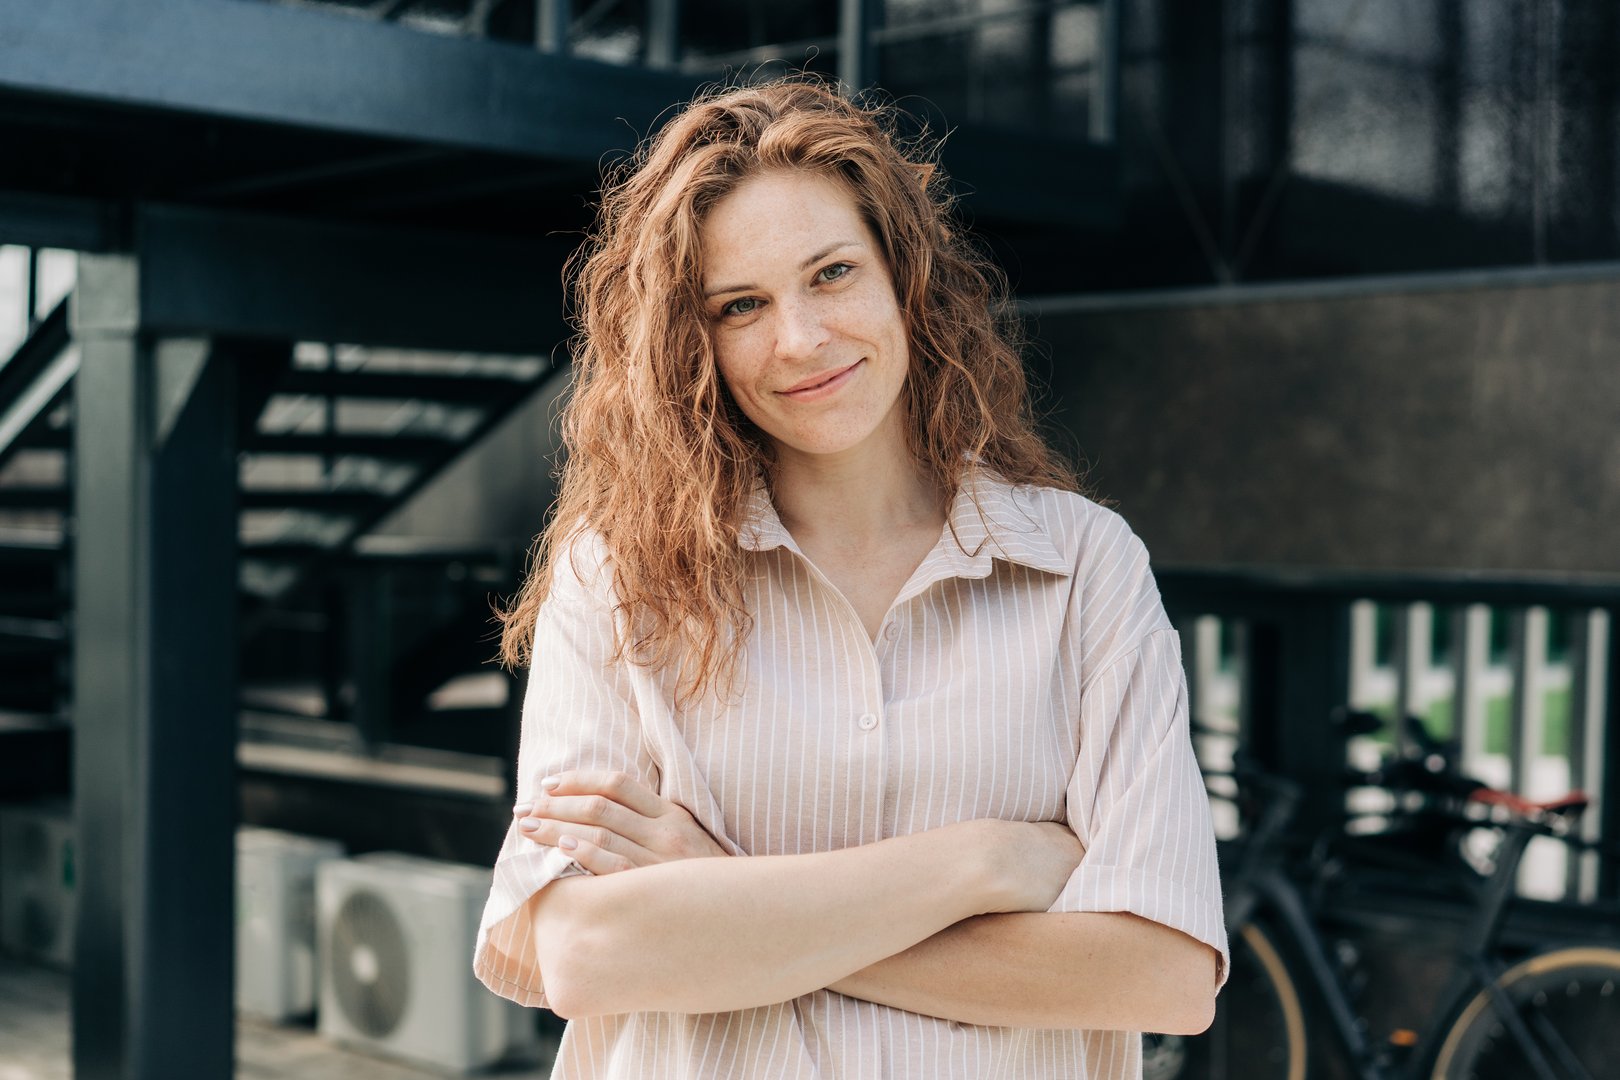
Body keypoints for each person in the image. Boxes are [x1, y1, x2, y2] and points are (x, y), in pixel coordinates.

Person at [473, 76, 1228, 1080]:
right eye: (740, 305)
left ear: (903, 277)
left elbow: (1160, 973)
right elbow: (586, 952)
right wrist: (984, 864)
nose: (800, 339)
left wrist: (722, 896)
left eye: (831, 273)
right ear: (692, 346)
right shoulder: (617, 578)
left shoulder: (1085, 567)